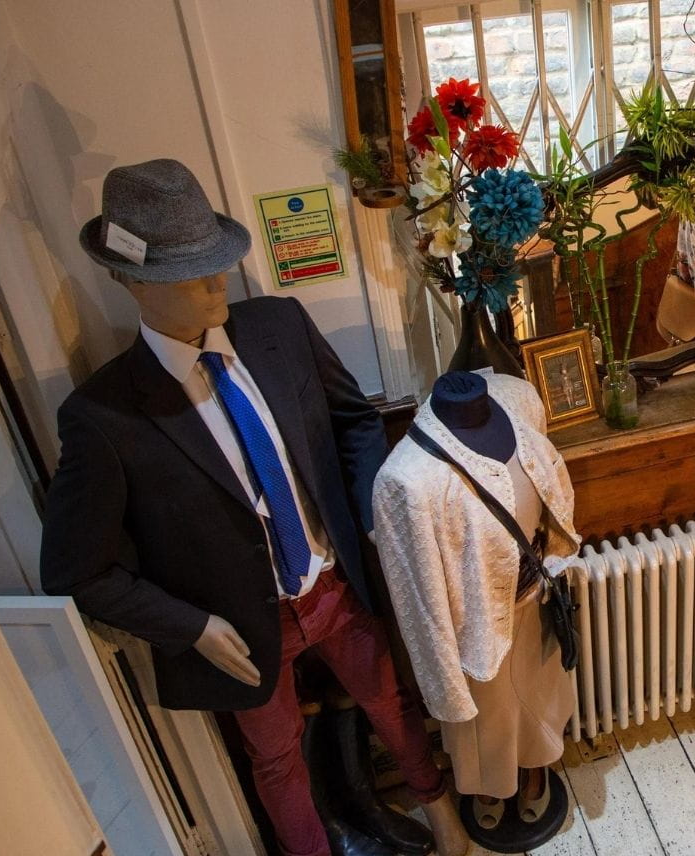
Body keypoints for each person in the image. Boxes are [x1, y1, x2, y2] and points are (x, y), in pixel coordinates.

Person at [41, 159, 467, 856]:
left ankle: (437, 808)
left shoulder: (276, 327)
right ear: (132, 283)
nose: (218, 282)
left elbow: (354, 419)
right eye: (192, 273)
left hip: (331, 583)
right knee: (274, 760)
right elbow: (74, 572)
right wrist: (191, 627)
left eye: (218, 261)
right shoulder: (103, 416)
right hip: (240, 626)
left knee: (390, 698)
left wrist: (367, 514)